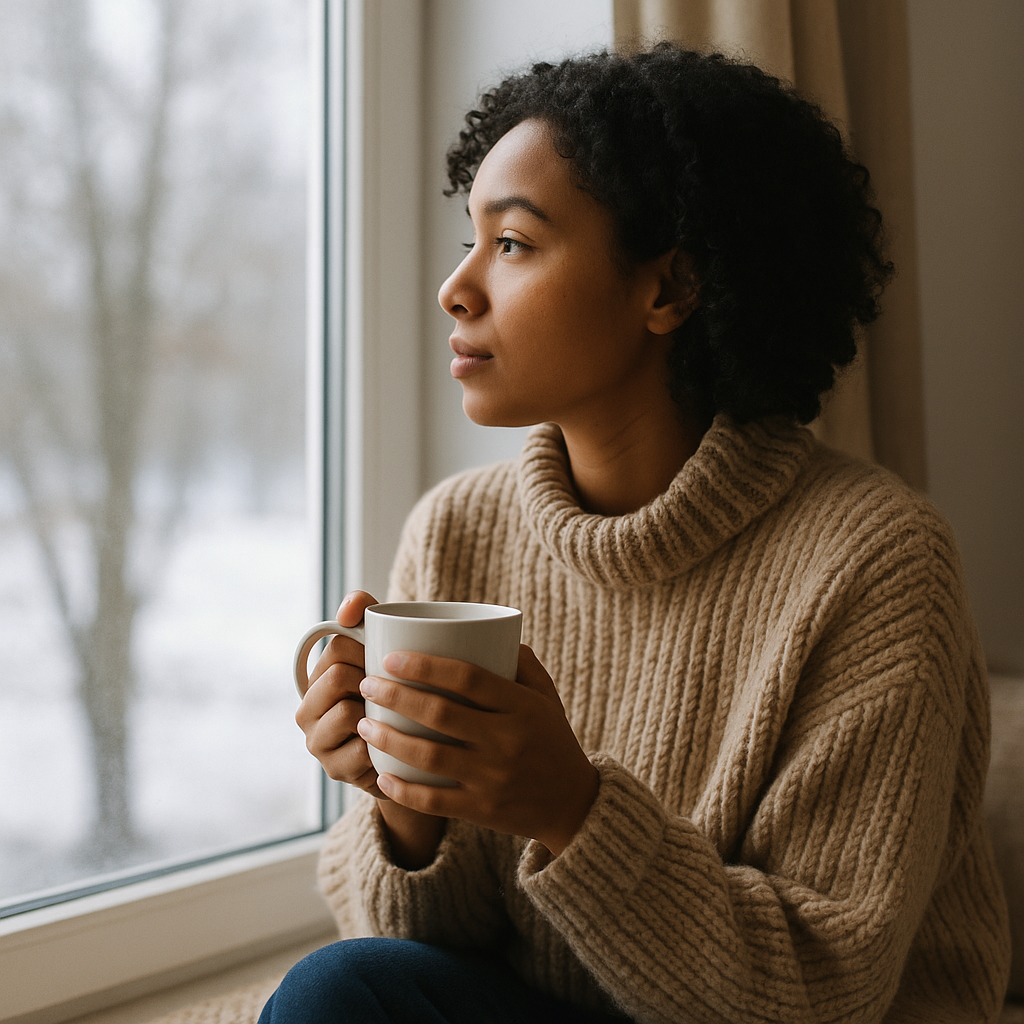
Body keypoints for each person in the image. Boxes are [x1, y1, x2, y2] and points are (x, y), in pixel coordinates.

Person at [259, 44, 1010, 1024]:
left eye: (514, 244)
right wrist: (408, 810)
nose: (458, 288)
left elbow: (824, 989)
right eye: (466, 241)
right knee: (337, 992)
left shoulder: (874, 559)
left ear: (669, 288)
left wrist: (569, 810)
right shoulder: (457, 530)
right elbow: (410, 951)